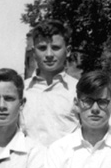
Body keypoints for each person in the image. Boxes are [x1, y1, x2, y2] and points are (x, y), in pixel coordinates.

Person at [20, 19, 79, 147]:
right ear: (34, 52)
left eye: (55, 48)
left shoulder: (79, 90)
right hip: (31, 164)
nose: (49, 54)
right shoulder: (21, 90)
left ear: (68, 51)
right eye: (42, 48)